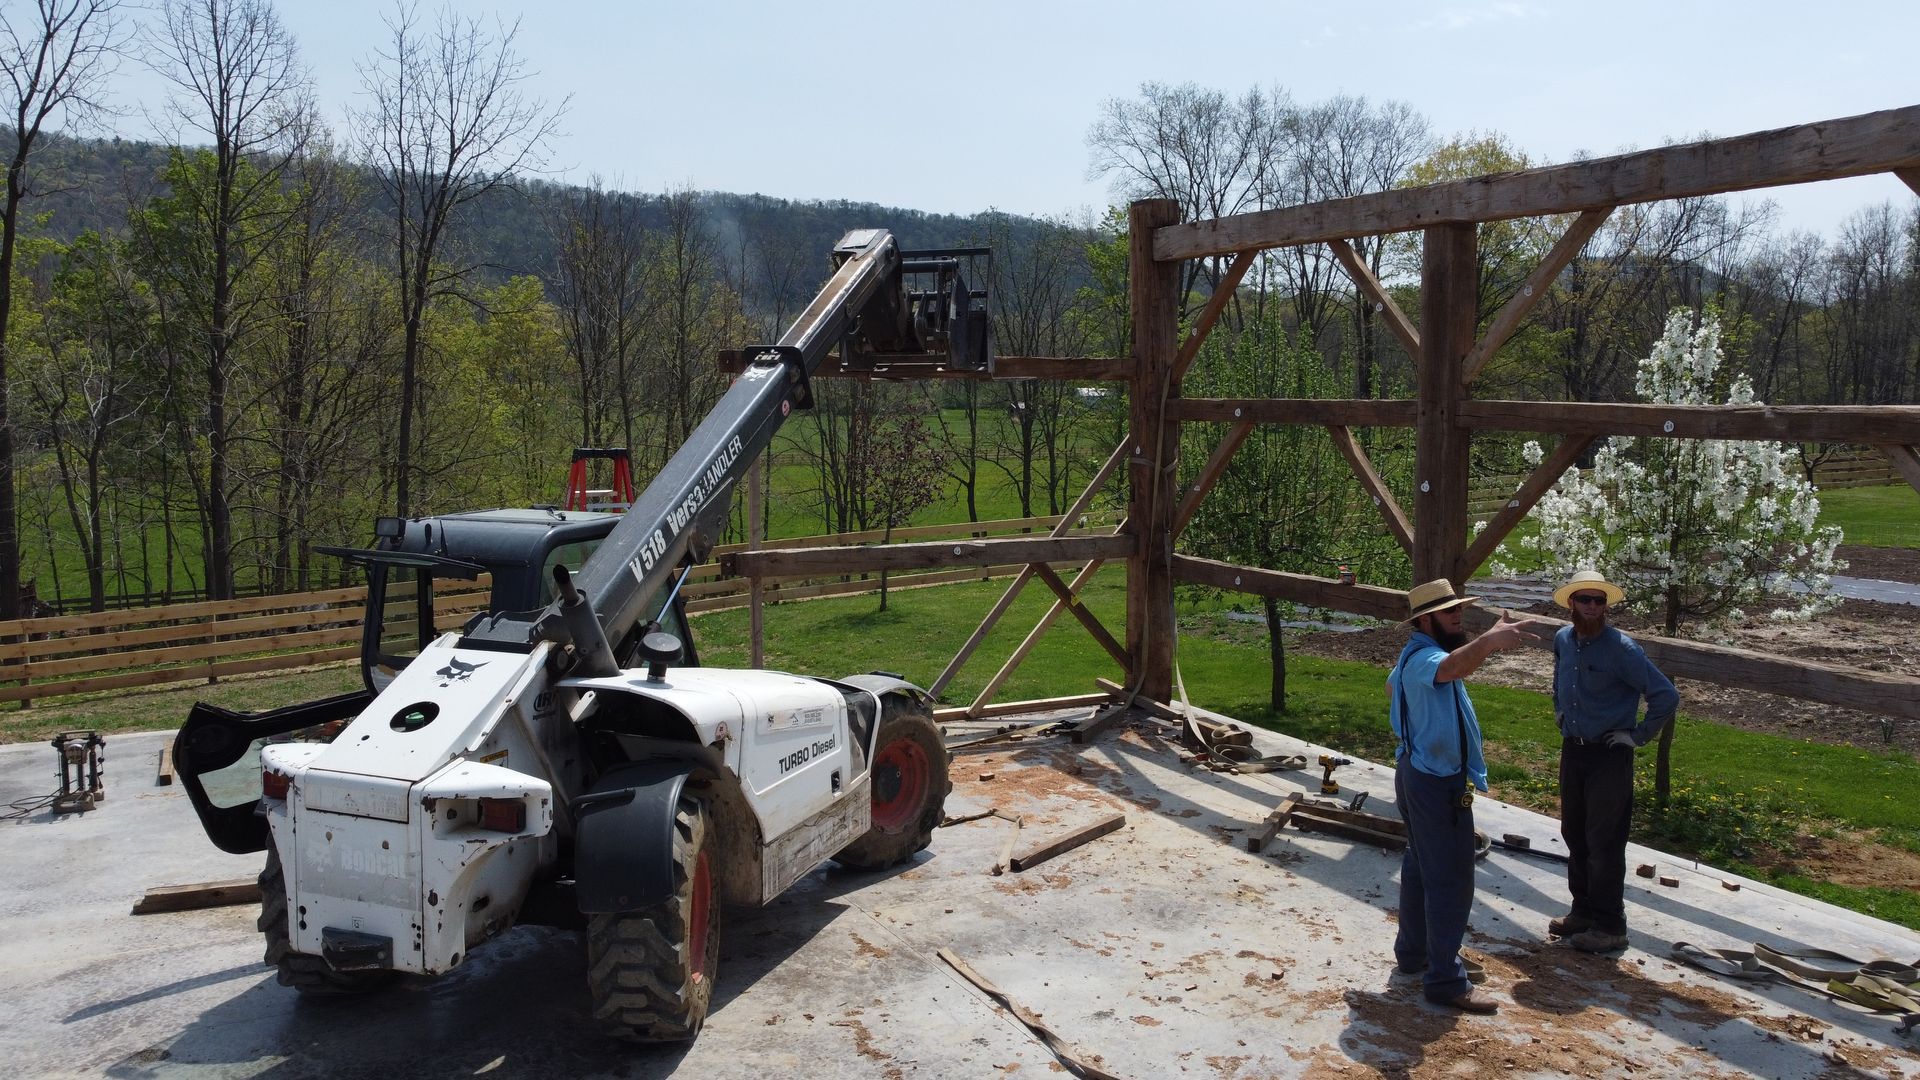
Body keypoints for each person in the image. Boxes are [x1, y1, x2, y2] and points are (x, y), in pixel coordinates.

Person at [1389, 578, 1545, 1013]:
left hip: (1420, 774)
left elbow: (1396, 683)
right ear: (1424, 620)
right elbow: (1452, 668)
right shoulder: (1425, 659)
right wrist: (1490, 642)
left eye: (1459, 609)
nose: (1457, 615)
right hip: (1434, 781)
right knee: (1451, 878)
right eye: (1448, 611)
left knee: (1421, 866)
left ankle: (1415, 955)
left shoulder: (1416, 660)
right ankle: (1445, 981)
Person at [1547, 570, 1679, 954]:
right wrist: (1559, 710)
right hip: (1574, 749)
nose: (1591, 607)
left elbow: (1665, 696)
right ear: (1571, 602)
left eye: (1598, 601)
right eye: (1584, 599)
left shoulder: (1622, 649)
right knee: (1574, 832)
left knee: (1604, 841)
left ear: (1606, 606)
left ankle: (1610, 925)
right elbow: (1559, 679)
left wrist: (1637, 736)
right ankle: (1582, 911)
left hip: (1609, 755)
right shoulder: (1563, 640)